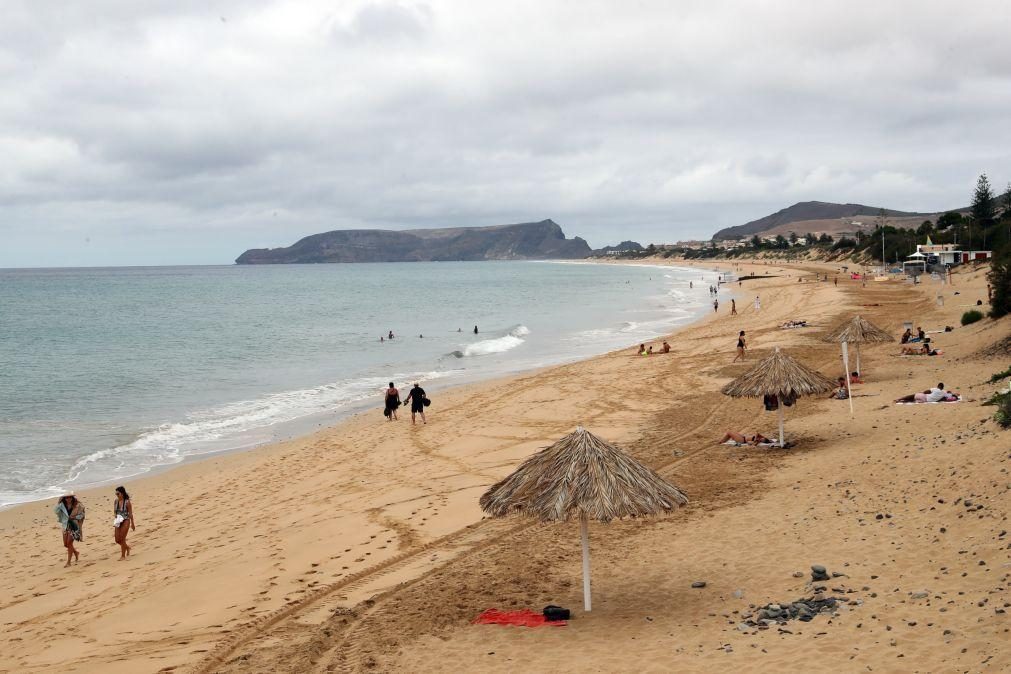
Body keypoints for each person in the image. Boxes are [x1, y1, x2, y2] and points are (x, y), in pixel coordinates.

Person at [54, 493, 84, 567]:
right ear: (64, 498)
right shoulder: (61, 505)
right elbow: (55, 511)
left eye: (70, 497)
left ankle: (68, 562)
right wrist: (59, 502)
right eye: (66, 498)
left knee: (69, 543)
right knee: (66, 544)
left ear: (72, 497)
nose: (68, 499)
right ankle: (76, 552)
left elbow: (82, 515)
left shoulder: (78, 505)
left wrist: (75, 517)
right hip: (65, 525)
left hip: (74, 526)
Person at [113, 486, 135, 560]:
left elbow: (130, 514)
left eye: (118, 493)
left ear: (122, 493)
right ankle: (127, 547)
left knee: (122, 538)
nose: (117, 495)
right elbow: (115, 511)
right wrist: (115, 515)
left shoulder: (127, 502)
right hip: (118, 520)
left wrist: (132, 523)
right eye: (116, 494)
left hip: (126, 520)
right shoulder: (116, 501)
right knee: (117, 539)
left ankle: (123, 556)